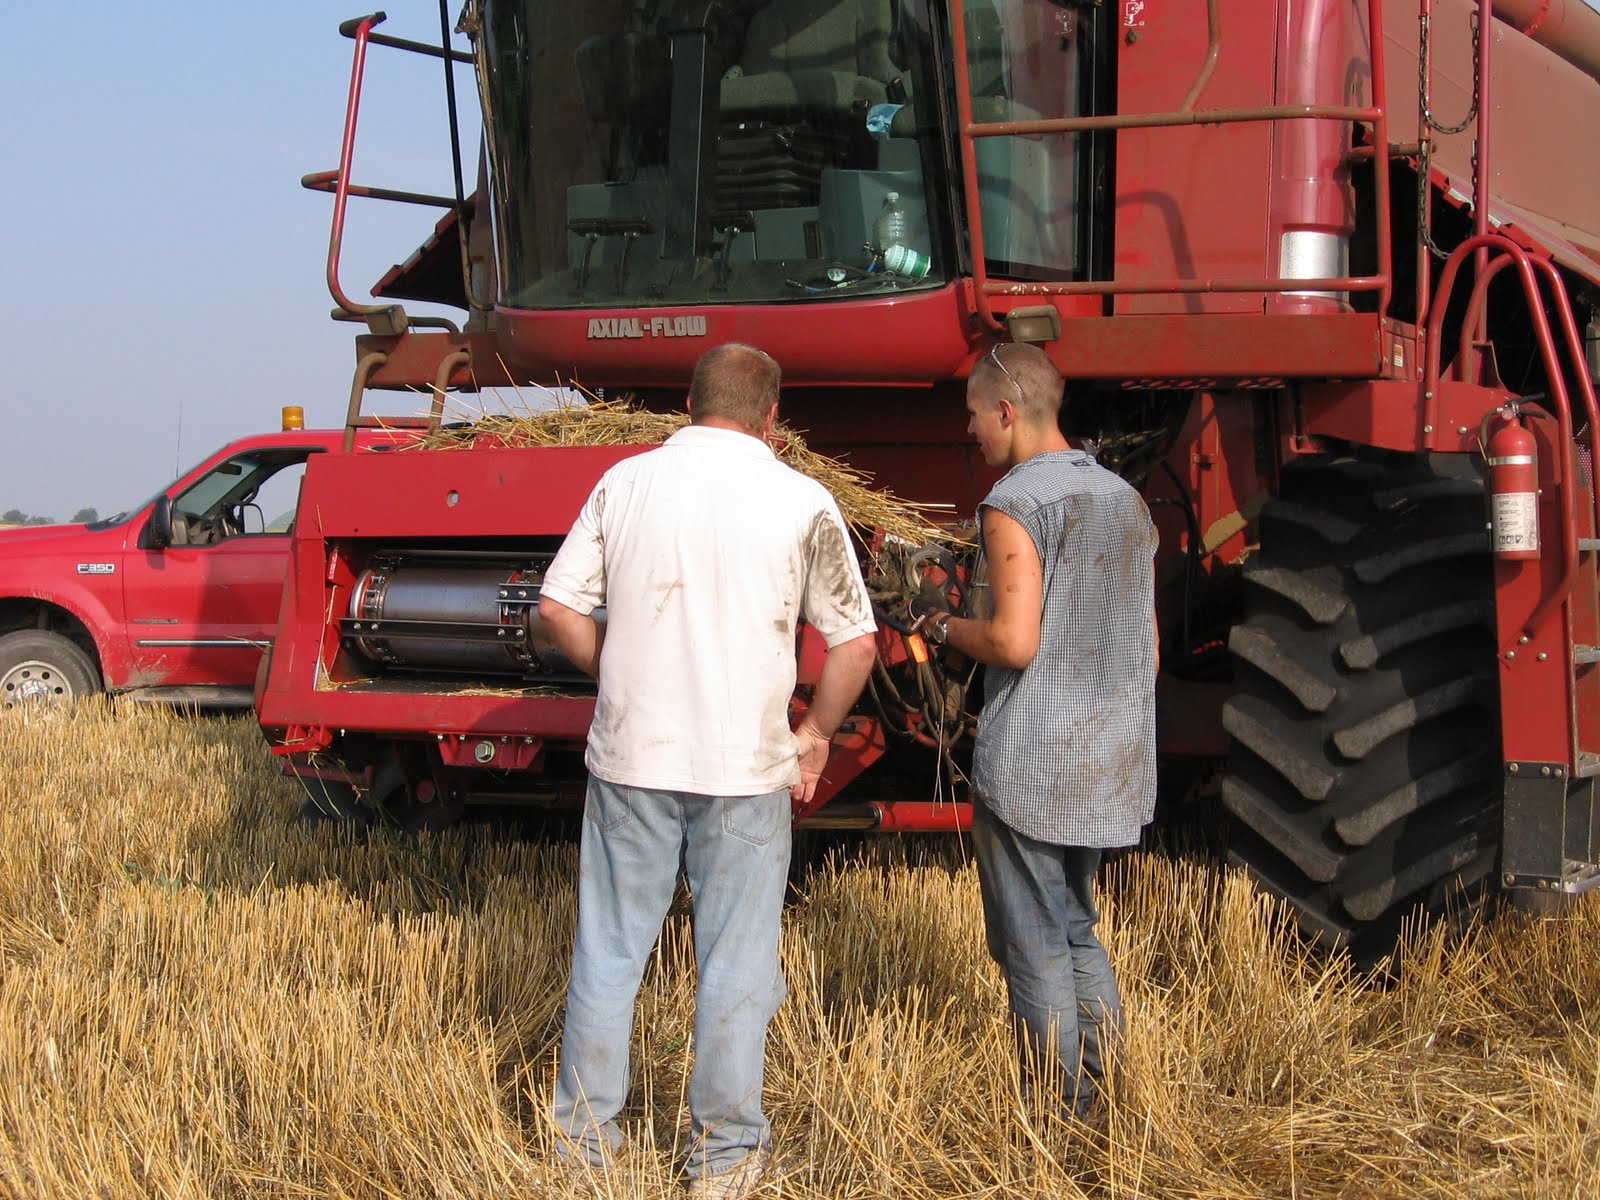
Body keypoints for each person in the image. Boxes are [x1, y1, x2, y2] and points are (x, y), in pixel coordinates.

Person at [537, 343, 878, 1197]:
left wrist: (616, 666)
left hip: (632, 760)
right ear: (773, 418)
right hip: (746, 771)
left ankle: (584, 1147)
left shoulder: (626, 482)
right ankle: (723, 1159)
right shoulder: (802, 499)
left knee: (611, 951)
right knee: (735, 962)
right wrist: (818, 735)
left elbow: (555, 606)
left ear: (688, 403)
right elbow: (857, 644)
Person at [914, 341, 1158, 1118]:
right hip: (1110, 757)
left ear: (1008, 411)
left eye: (977, 417)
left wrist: (944, 626)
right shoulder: (1126, 499)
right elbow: (1146, 647)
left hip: (1033, 765)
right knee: (1078, 926)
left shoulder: (1014, 504)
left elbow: (1015, 642)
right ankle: (1107, 1094)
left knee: (1032, 940)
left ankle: (1057, 1112)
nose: (973, 433)